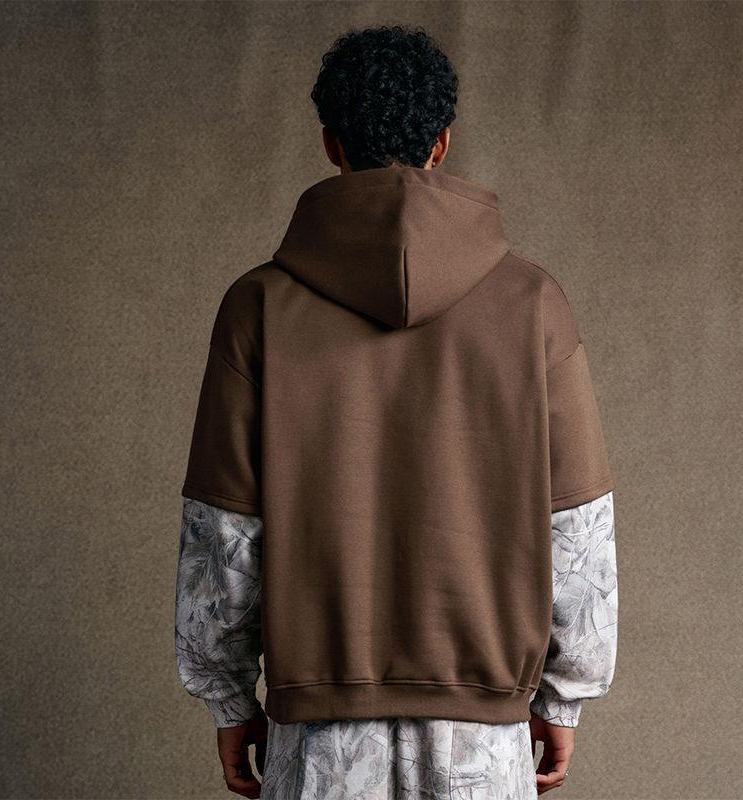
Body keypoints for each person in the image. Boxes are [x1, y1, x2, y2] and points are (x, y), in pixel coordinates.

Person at [174, 24, 617, 800]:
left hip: (321, 745)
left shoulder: (259, 307)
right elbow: (577, 527)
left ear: (331, 144)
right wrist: (562, 698)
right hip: (484, 744)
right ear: (442, 142)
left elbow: (223, 531)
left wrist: (229, 697)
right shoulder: (533, 304)